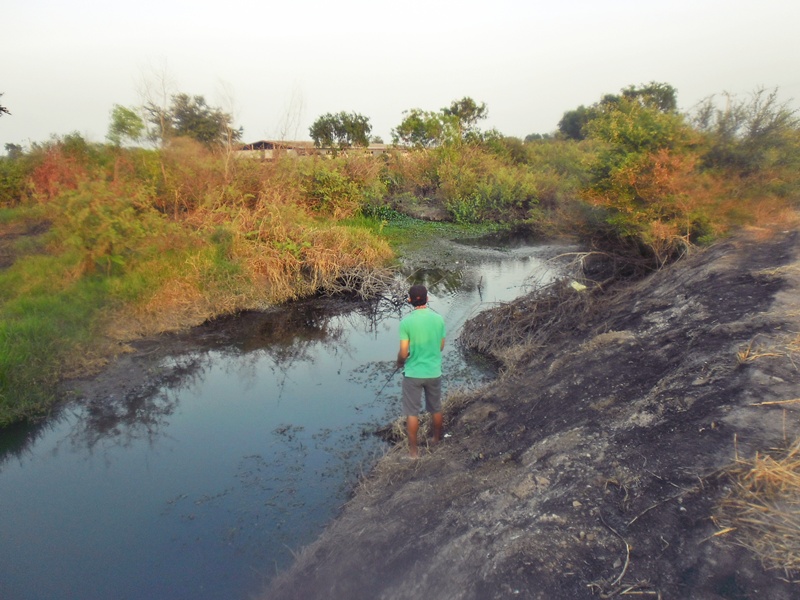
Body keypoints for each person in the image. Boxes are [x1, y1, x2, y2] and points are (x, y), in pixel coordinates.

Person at [397, 284, 446, 458]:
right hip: (433, 372)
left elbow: (403, 353)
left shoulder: (406, 322)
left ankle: (413, 453)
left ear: (409, 300)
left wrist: (399, 362)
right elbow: (440, 346)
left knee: (412, 413)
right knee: (436, 408)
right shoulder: (438, 319)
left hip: (413, 374)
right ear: (428, 298)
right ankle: (436, 440)